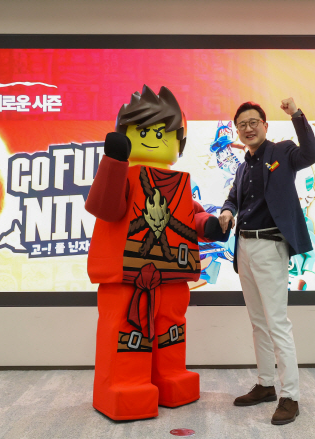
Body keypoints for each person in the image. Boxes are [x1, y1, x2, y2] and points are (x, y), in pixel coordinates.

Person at [85, 85, 228, 421]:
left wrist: (210, 226)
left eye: (161, 132)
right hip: (128, 278)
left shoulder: (178, 183)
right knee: (127, 329)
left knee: (170, 328)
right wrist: (113, 162)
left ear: (178, 142)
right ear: (126, 136)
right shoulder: (122, 175)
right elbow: (105, 207)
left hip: (172, 276)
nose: (152, 138)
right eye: (143, 131)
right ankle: (125, 383)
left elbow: (190, 215)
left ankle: (170, 375)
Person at [218, 98, 315, 425]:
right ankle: (265, 385)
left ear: (265, 125)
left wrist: (297, 115)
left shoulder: (283, 152)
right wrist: (227, 211)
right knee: (258, 323)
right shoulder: (242, 166)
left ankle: (291, 396)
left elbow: (311, 154)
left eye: (253, 122)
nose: (248, 128)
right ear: (237, 131)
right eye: (242, 125)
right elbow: (233, 198)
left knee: (276, 323)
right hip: (244, 247)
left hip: (270, 246)